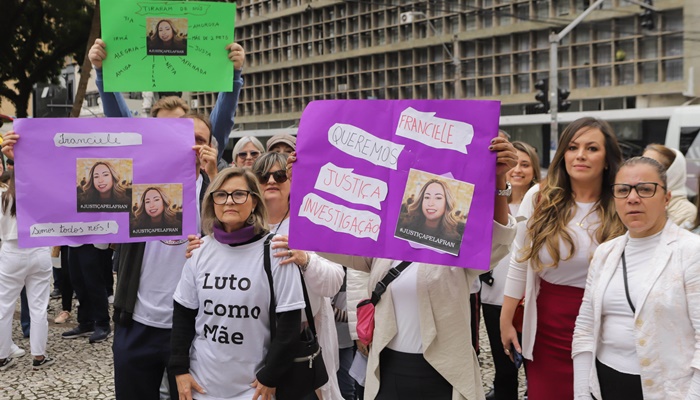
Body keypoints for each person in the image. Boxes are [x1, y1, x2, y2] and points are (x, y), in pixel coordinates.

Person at [315, 137, 517, 400]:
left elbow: (499, 239)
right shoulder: (386, 245)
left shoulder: (459, 247)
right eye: (427, 195)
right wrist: (304, 181)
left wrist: (499, 182)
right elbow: (328, 241)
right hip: (388, 371)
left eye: (440, 196)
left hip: (444, 373)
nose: (432, 202)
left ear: (449, 203)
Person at [187, 151, 346, 399]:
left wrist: (305, 260)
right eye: (263, 175)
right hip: (245, 343)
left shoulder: (312, 222)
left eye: (280, 175)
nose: (271, 181)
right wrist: (203, 249)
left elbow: (334, 282)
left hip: (298, 341)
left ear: (292, 181)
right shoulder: (235, 227)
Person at [500, 117, 626, 400]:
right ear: (563, 155)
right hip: (547, 327)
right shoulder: (540, 197)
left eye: (592, 148)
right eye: (572, 147)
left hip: (607, 327)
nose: (580, 155)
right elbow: (520, 262)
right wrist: (506, 320)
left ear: (607, 159)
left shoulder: (622, 201)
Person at [170, 167, 306, 400]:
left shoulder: (276, 250)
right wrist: (179, 369)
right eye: (221, 195)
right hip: (201, 386)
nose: (229, 201)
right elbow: (183, 314)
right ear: (212, 201)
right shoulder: (200, 250)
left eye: (239, 194)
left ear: (254, 201)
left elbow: (289, 322)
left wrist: (270, 376)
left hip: (253, 389)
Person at [572, 156, 700, 399]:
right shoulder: (605, 252)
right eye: (623, 190)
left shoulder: (691, 251)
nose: (633, 198)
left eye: (645, 189)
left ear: (666, 198)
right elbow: (586, 326)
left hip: (667, 389)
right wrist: (581, 392)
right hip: (606, 379)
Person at [111, 113, 215, 400]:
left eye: (200, 140)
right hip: (136, 323)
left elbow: (241, 234)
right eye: (185, 138)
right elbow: (71, 192)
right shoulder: (137, 186)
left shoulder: (216, 193)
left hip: (191, 330)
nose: (193, 146)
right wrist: (27, 157)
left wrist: (215, 176)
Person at [88, 37, 244, 162]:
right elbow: (120, 121)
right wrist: (103, 71)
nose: (173, 132)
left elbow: (223, 119)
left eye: (180, 125)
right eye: (165, 126)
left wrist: (233, 74)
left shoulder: (205, 158)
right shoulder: (143, 158)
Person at [481, 140, 541, 400]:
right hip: (493, 298)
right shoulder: (488, 203)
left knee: (533, 367)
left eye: (525, 164)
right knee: (503, 369)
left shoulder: (541, 205)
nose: (517, 169)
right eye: (513, 163)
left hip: (528, 302)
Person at [0, 171, 54, 370]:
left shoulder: (3, 197)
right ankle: (39, 355)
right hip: (38, 248)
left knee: (4, 306)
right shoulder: (39, 194)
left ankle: (1, 356)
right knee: (38, 307)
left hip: (12, 251)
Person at [396, 178, 465, 253]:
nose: (430, 203)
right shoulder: (401, 223)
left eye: (438, 198)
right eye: (427, 197)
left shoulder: (461, 234)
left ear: (447, 203)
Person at [642, 143, 697, 227]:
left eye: (650, 166)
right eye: (641, 163)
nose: (641, 170)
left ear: (671, 172)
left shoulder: (686, 211)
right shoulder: (635, 201)